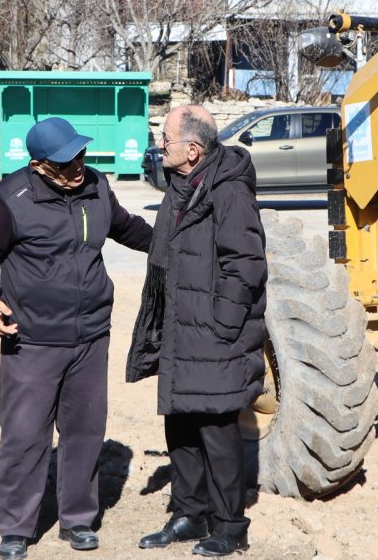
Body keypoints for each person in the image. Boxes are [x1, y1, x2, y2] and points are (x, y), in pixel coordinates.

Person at [0, 117, 153, 560]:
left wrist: (172, 241)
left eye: (81, 156)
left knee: (85, 430)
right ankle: (16, 527)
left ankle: (78, 519)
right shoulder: (10, 198)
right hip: (31, 338)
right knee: (25, 434)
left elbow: (125, 227)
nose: (78, 166)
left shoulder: (96, 187)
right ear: (40, 165)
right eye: (67, 161)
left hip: (90, 335)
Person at [128, 105, 267, 558]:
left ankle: (230, 526)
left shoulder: (228, 192)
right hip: (180, 328)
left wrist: (220, 323)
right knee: (182, 422)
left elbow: (245, 263)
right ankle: (190, 512)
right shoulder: (181, 184)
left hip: (211, 332)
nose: (159, 145)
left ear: (192, 149)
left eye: (165, 138)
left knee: (217, 428)